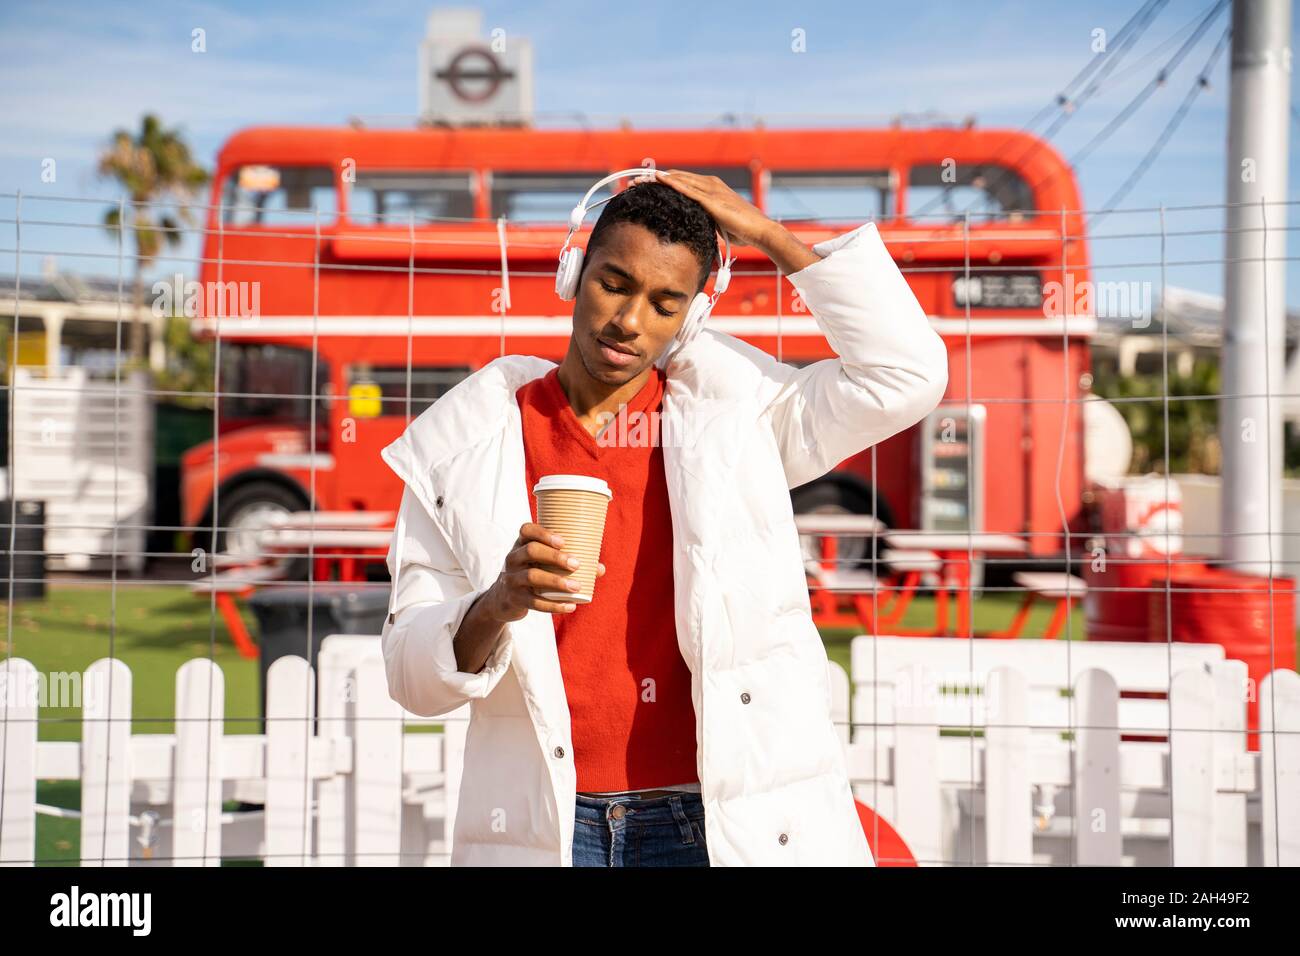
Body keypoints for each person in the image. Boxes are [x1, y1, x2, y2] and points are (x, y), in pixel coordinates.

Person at [380, 168, 948, 866]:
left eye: (665, 302)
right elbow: (411, 675)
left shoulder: (739, 420)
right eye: (613, 284)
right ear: (572, 272)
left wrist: (770, 237)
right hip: (550, 826)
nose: (629, 322)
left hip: (710, 821)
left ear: (693, 315)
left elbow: (906, 376)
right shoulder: (463, 447)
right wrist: (497, 603)